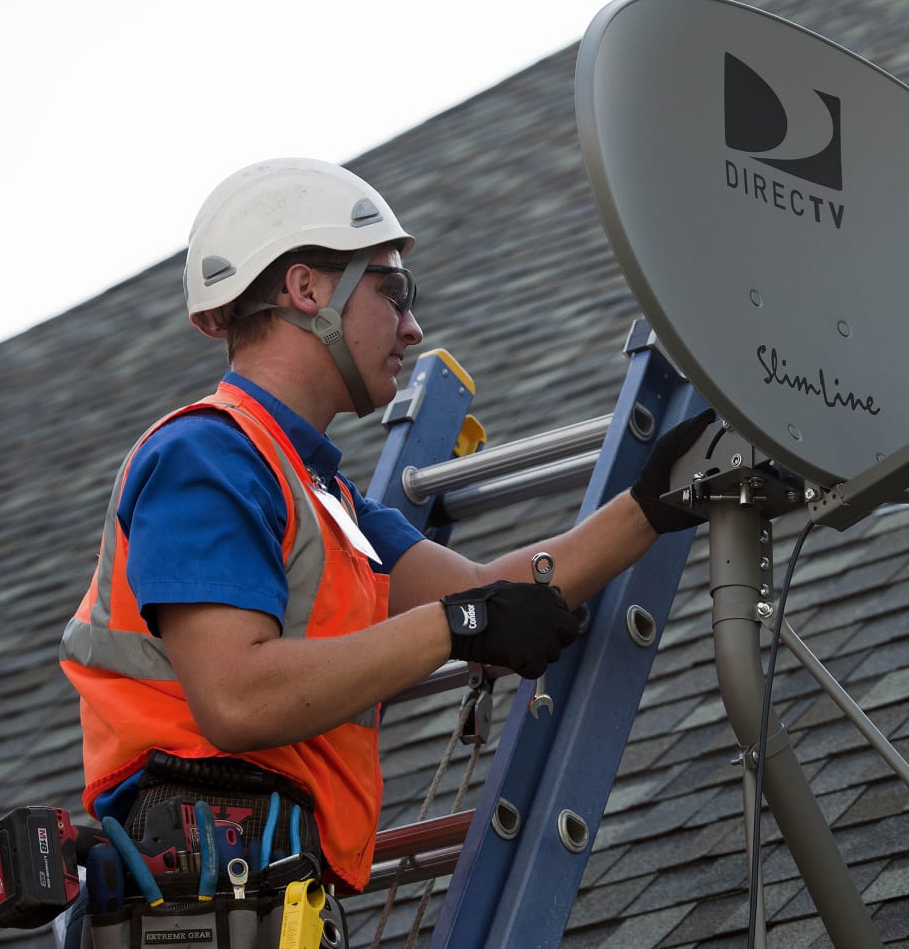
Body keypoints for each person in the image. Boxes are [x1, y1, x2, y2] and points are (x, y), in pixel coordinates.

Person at [58, 158, 710, 938]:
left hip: (260, 892)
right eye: (393, 292)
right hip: (198, 900)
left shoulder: (323, 496)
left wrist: (654, 503)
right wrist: (460, 625)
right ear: (307, 290)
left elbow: (488, 591)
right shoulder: (206, 456)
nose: (413, 327)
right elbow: (237, 698)